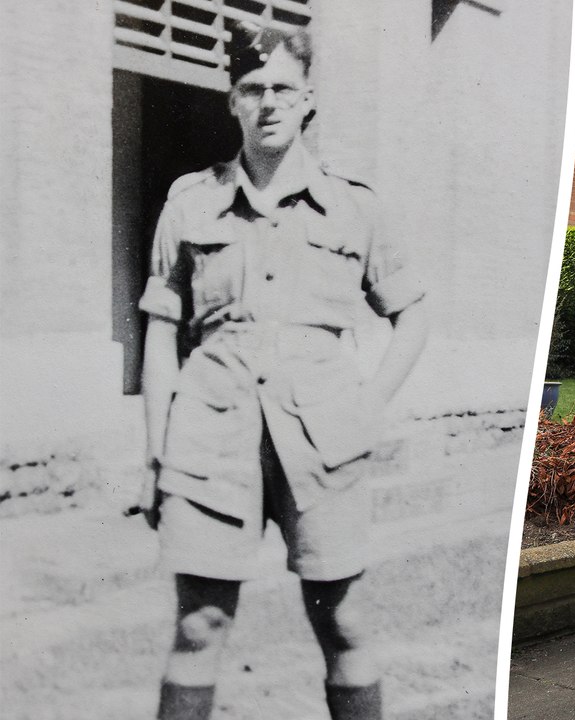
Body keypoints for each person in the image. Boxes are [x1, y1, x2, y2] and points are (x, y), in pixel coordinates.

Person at [136, 21, 427, 720]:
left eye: (282, 89)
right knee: (198, 625)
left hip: (324, 444)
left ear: (307, 101)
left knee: (344, 620)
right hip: (208, 441)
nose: (267, 102)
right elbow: (159, 332)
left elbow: (412, 318)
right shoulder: (189, 203)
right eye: (251, 88)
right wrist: (153, 455)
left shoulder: (354, 206)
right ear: (231, 99)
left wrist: (368, 406)